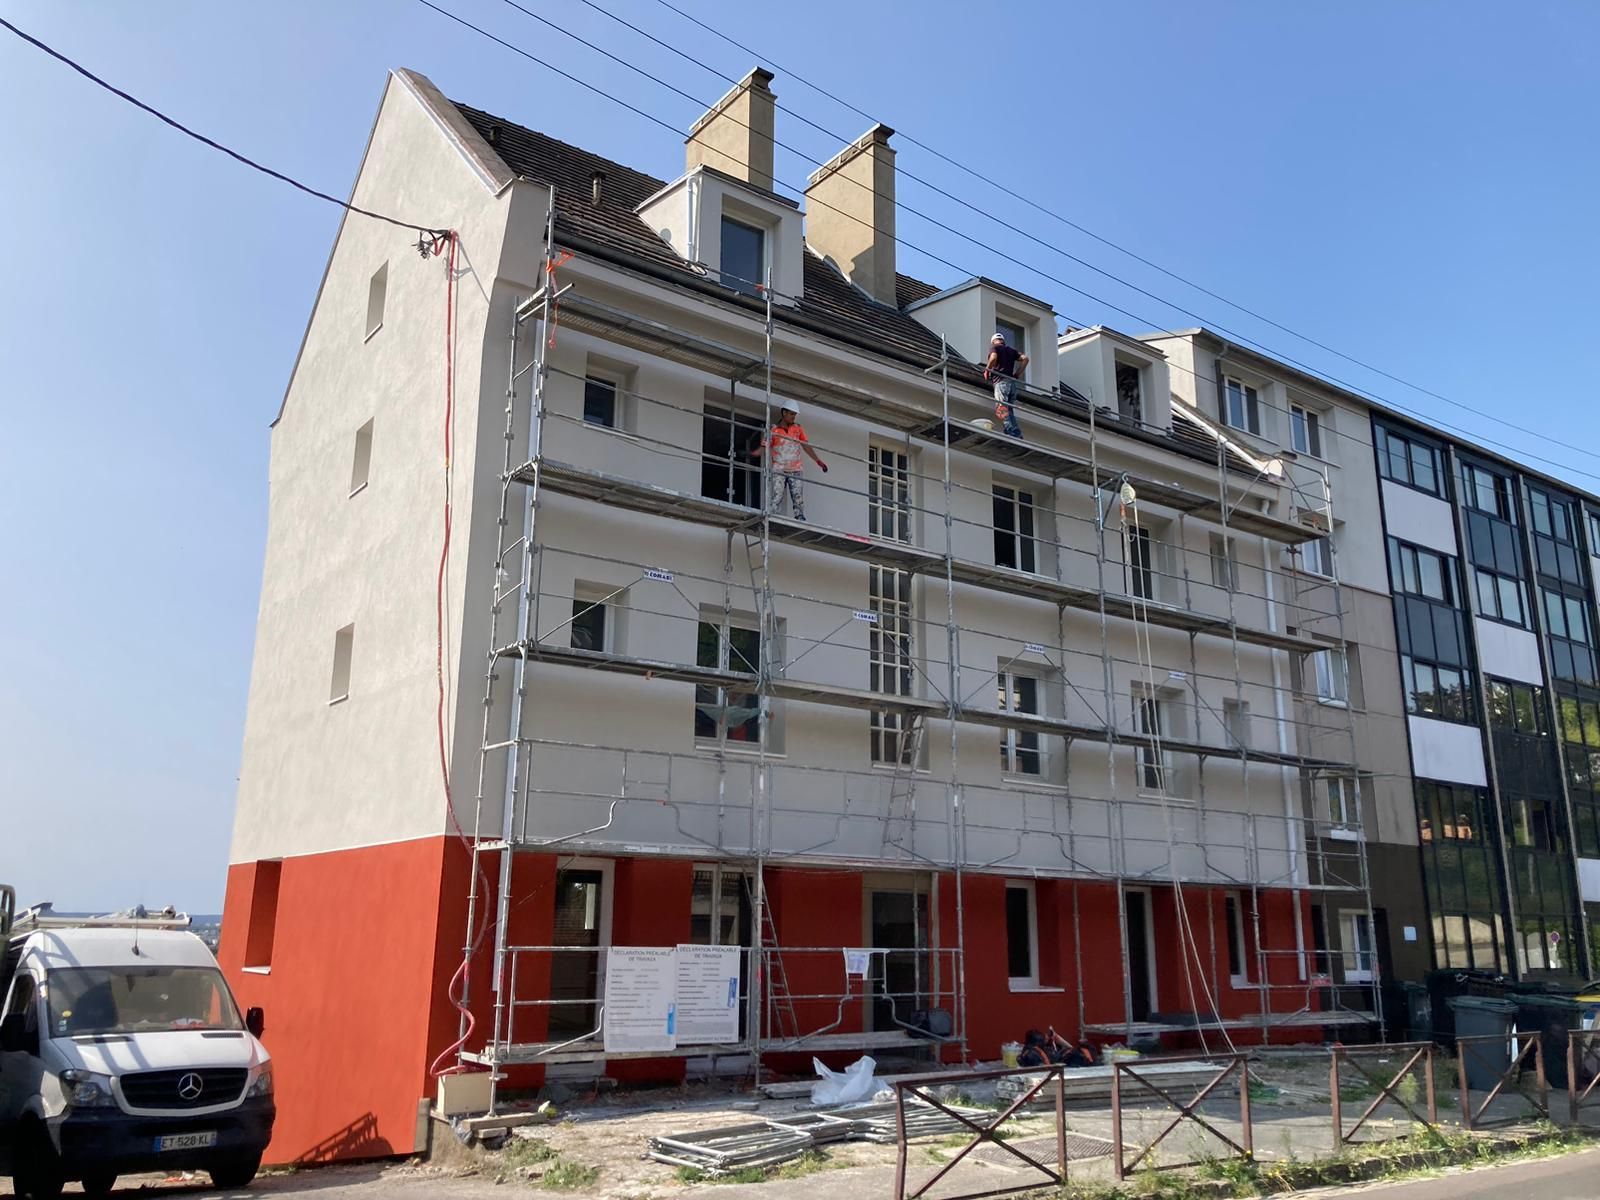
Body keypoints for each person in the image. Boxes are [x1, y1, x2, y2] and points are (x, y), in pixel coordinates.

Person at [751, 403, 827, 521]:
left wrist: (818, 461)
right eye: (791, 414)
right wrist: (754, 453)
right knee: (777, 496)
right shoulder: (773, 430)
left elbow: (806, 446)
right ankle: (772, 517)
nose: (793, 417)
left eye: (794, 415)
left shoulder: (798, 428)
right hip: (779, 469)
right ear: (784, 413)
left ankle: (800, 518)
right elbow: (764, 446)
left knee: (798, 497)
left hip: (796, 469)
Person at [986, 331, 1028, 439]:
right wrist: (1017, 374)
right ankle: (1015, 432)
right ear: (1003, 341)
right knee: (1009, 410)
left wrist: (987, 369)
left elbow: (994, 357)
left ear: (993, 341)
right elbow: (1025, 359)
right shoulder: (1011, 351)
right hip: (1012, 384)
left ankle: (1012, 431)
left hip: (1001, 382)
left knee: (1002, 407)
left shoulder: (995, 348)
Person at [1016, 1026, 1097, 1069]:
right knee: (1079, 1052)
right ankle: (1089, 1060)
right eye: (1044, 1038)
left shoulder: (1033, 1049)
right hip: (1059, 1063)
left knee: (1080, 1050)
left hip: (1059, 1059)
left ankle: (1088, 1058)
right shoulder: (1032, 1053)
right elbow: (1045, 1066)